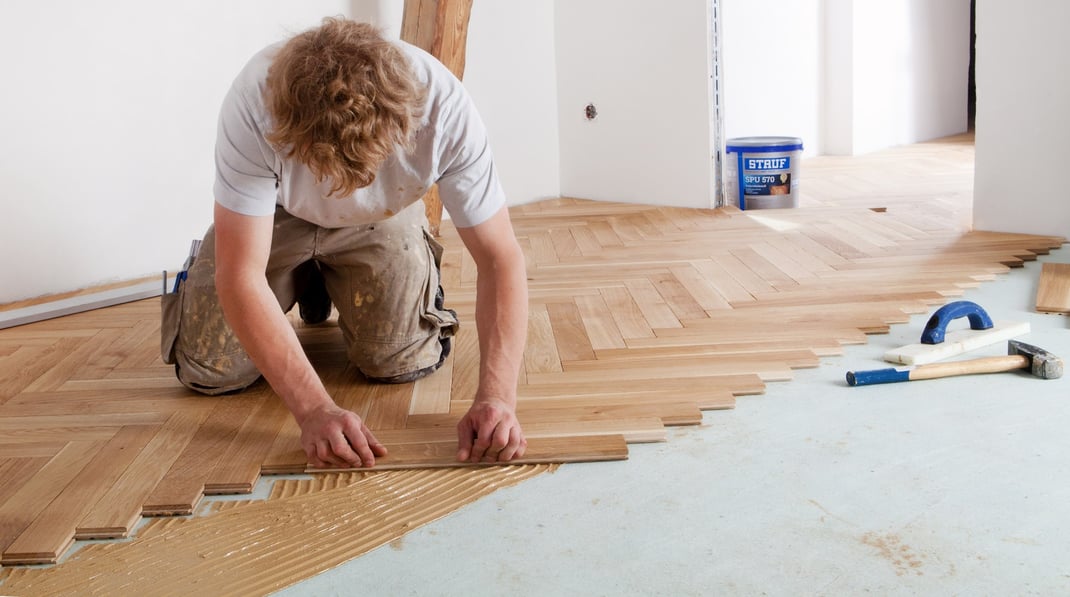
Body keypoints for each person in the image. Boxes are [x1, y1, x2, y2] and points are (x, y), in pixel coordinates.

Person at [161, 17, 528, 469]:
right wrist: (314, 410)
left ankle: (334, 276)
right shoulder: (254, 102)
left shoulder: (444, 109)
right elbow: (240, 275)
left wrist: (498, 398)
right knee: (210, 368)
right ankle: (305, 278)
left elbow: (500, 258)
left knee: (400, 360)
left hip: (382, 217)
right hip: (276, 218)